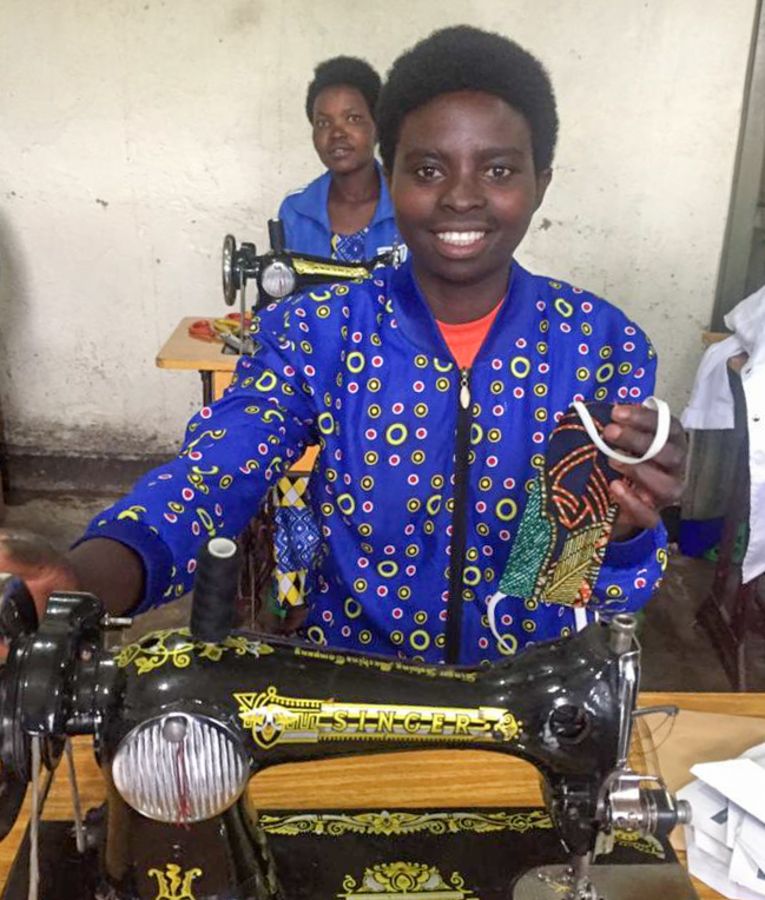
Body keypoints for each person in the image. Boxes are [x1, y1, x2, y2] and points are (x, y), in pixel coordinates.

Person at [0, 26, 686, 666]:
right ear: (392, 181)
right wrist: (81, 579)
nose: (460, 197)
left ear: (542, 182)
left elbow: (566, 582)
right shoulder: (316, 332)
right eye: (427, 170)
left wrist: (624, 534)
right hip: (351, 681)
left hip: (526, 689)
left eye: (499, 170)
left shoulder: (596, 345)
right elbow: (214, 477)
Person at [278, 55, 400, 261]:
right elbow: (281, 286)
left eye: (353, 119)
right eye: (323, 123)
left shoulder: (407, 202)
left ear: (377, 126)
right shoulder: (296, 210)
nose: (337, 133)